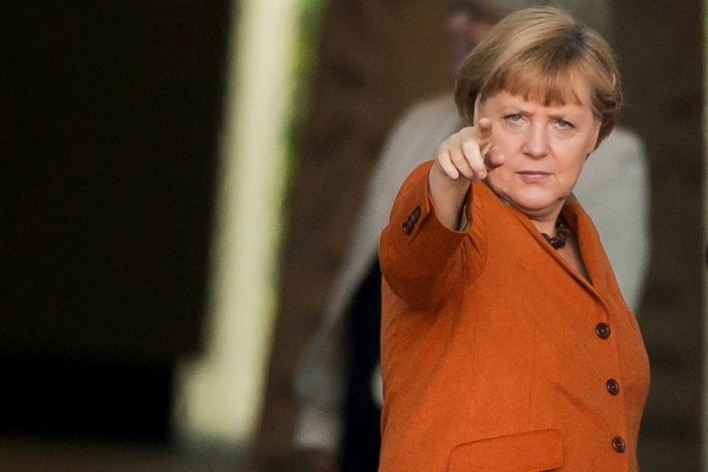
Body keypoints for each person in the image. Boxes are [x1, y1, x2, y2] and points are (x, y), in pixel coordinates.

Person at [294, 1, 650, 470]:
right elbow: (413, 264)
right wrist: (446, 183)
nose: (536, 146)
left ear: (596, 134)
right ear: (478, 114)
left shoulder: (583, 238)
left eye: (562, 123)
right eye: (515, 117)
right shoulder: (460, 214)